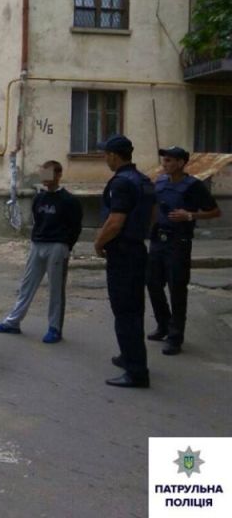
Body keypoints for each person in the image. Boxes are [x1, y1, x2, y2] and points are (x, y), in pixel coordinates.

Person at [0, 160, 83, 343]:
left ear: (58, 175)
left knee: (56, 289)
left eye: (49, 173)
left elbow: (75, 226)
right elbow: (36, 220)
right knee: (26, 285)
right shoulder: (39, 199)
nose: (45, 178)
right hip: (37, 244)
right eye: (43, 173)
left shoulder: (69, 200)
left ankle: (54, 328)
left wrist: (66, 245)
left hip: (57, 246)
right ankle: (13, 322)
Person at [147, 146, 221, 356]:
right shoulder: (160, 181)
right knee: (152, 283)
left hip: (178, 242)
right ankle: (163, 324)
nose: (164, 164)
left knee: (177, 289)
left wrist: (189, 215)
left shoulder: (193, 186)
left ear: (181, 163)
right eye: (164, 160)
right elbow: (154, 207)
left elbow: (215, 211)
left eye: (169, 160)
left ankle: (175, 337)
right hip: (158, 240)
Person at [94, 135, 155, 389]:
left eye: (105, 154)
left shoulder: (121, 182)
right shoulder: (143, 180)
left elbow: (115, 222)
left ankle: (136, 372)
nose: (104, 159)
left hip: (123, 253)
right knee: (134, 309)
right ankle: (129, 356)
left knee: (125, 312)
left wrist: (99, 243)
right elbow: (153, 214)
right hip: (137, 249)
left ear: (114, 155)